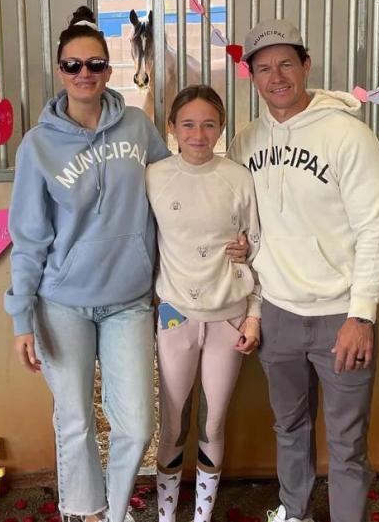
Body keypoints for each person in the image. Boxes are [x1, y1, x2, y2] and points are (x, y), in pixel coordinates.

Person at [4, 6, 171, 522]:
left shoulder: (138, 127)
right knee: (74, 420)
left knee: (138, 425)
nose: (84, 75)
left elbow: (173, 197)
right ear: (59, 71)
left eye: (94, 65)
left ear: (107, 70)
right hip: (62, 304)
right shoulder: (38, 145)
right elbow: (28, 237)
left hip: (128, 300)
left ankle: (117, 512)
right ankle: (87, 512)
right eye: (73, 66)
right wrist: (21, 316)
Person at [226, 19, 379, 522]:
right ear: (250, 77)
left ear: (306, 66)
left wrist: (361, 315)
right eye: (263, 68)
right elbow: (243, 226)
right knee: (290, 426)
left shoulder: (350, 135)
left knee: (346, 441)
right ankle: (293, 511)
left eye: (285, 64)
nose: (276, 77)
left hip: (340, 316)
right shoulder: (244, 142)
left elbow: (374, 231)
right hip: (276, 313)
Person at [146, 85, 261, 522]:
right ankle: (165, 514)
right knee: (173, 422)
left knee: (213, 422)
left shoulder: (238, 177)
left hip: (229, 317)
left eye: (209, 124)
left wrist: (254, 315)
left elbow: (259, 247)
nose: (198, 134)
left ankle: (202, 516)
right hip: (175, 315)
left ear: (221, 127)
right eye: (188, 124)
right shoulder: (154, 176)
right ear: (172, 127)